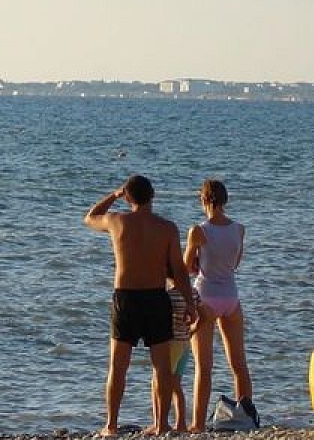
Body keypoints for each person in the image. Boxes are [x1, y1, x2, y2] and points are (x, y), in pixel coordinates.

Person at [84, 175, 197, 436]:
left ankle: (111, 425)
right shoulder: (167, 227)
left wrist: (114, 195)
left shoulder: (117, 220)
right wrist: (190, 303)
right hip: (156, 298)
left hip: (126, 299)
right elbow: (179, 271)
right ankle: (162, 425)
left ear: (128, 197)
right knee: (162, 367)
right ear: (152, 196)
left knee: (118, 366)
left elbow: (90, 216)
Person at [184, 178, 258, 430]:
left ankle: (197, 424)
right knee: (239, 363)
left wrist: (196, 261)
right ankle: (246, 416)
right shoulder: (239, 229)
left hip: (205, 297)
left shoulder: (198, 231)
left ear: (204, 200)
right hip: (230, 297)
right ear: (225, 200)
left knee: (204, 367)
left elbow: (187, 267)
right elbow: (234, 264)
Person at [152, 270, 198, 431]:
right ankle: (181, 423)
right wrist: (192, 329)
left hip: (171, 343)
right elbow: (202, 315)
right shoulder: (193, 294)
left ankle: (158, 421)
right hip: (185, 343)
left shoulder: (169, 296)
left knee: (158, 382)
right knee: (176, 385)